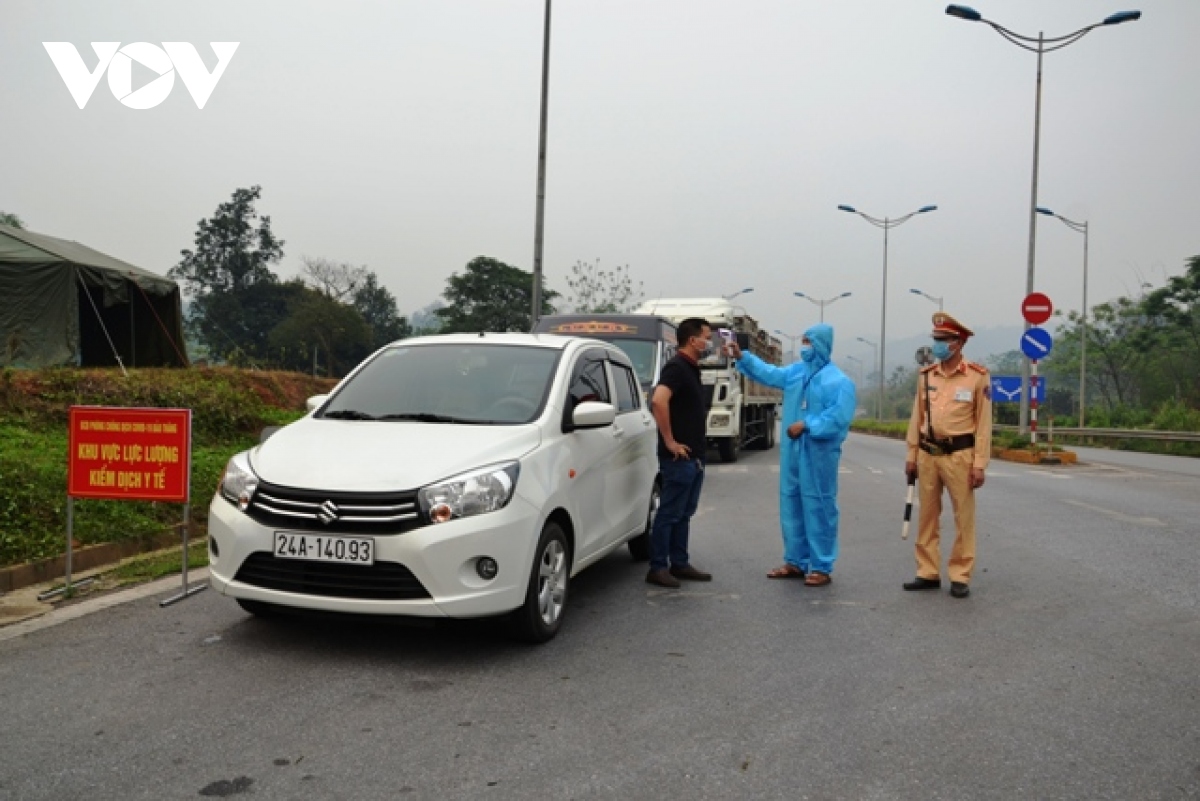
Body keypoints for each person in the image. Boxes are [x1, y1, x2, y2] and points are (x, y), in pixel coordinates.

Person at [728, 324, 856, 587]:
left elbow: (838, 418)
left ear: (821, 344)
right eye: (803, 340)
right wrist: (742, 356)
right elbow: (769, 374)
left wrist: (808, 424)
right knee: (791, 505)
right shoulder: (796, 373)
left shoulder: (839, 382)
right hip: (793, 455)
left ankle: (821, 565)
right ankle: (795, 561)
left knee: (819, 506)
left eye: (809, 341)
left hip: (819, 456)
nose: (804, 346)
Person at [902, 311, 993, 599]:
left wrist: (979, 464)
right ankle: (927, 572)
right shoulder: (927, 376)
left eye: (943, 340)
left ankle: (960, 574)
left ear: (959, 343)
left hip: (960, 455)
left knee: (962, 517)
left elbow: (983, 425)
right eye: (936, 339)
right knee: (927, 516)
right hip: (928, 453)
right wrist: (911, 455)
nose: (937, 345)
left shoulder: (977, 377)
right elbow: (918, 417)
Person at [645, 317, 714, 588]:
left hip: (694, 455)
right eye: (707, 337)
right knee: (670, 513)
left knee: (684, 512)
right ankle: (658, 567)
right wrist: (670, 442)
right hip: (678, 457)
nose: (709, 343)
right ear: (693, 339)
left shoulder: (691, 368)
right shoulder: (676, 368)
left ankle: (680, 563)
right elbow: (658, 401)